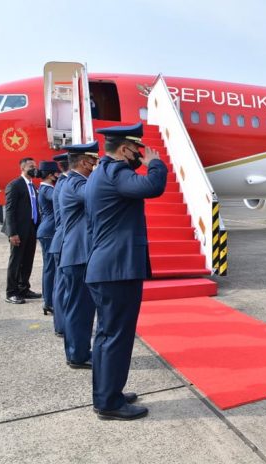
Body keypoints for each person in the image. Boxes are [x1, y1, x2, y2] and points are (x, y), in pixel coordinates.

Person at [86, 123, 167, 420]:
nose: (140, 156)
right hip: (116, 270)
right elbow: (152, 187)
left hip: (106, 267)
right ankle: (108, 403)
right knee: (116, 337)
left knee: (108, 336)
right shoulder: (115, 172)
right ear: (124, 150)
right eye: (137, 150)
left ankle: (109, 393)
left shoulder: (98, 174)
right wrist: (155, 163)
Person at [59, 142, 99, 369]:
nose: (96, 165)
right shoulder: (76, 183)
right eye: (93, 161)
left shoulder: (74, 181)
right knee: (79, 309)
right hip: (78, 255)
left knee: (81, 308)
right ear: (84, 162)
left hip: (79, 253)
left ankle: (79, 351)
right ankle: (77, 355)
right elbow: (94, 194)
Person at [2, 158, 42, 304]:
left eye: (35, 165)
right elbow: (10, 211)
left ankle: (23, 288)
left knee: (27, 260)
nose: (35, 168)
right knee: (16, 261)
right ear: (23, 168)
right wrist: (12, 233)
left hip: (31, 228)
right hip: (18, 231)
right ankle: (11, 292)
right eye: (32, 166)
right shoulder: (15, 185)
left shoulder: (32, 186)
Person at [49, 153, 70, 337]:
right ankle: (63, 326)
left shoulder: (61, 183)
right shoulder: (65, 184)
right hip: (64, 240)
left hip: (61, 240)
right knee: (63, 287)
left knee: (60, 286)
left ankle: (61, 325)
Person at [36, 161, 60, 316]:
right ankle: (49, 301)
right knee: (50, 268)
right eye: (57, 173)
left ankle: (48, 300)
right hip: (49, 232)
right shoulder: (47, 189)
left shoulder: (46, 188)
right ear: (51, 175)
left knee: (49, 267)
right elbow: (59, 198)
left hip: (48, 231)